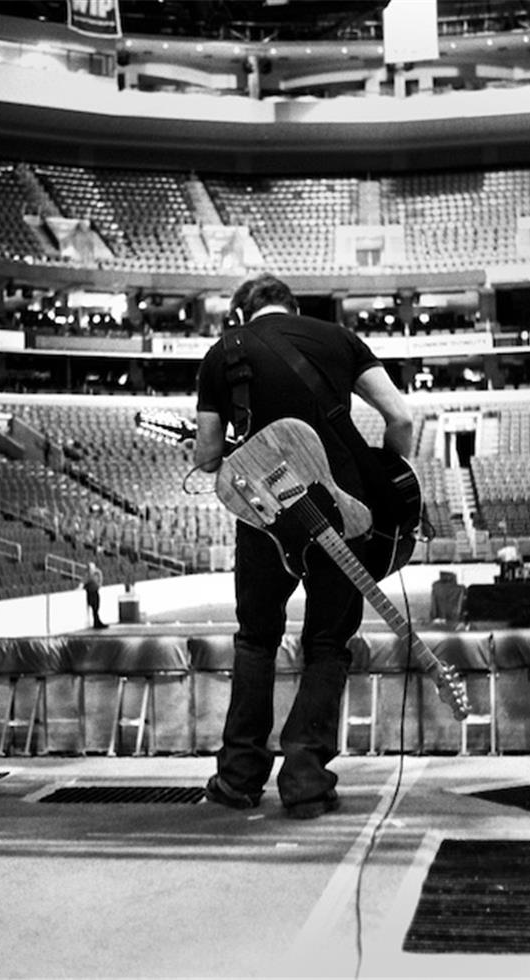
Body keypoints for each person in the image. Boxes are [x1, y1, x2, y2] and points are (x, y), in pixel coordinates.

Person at [193, 273, 413, 819]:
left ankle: (239, 777)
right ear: (291, 308)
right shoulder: (339, 339)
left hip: (266, 522)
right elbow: (402, 417)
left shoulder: (224, 352)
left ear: (241, 314)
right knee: (328, 642)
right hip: (342, 516)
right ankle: (305, 780)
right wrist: (387, 470)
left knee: (256, 639)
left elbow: (208, 456)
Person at [83, 562, 106, 629]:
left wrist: (99, 584)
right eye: (91, 568)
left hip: (95, 592)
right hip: (91, 593)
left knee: (96, 607)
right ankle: (97, 623)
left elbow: (100, 578)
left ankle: (97, 622)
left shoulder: (95, 574)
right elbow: (83, 583)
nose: (92, 569)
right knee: (94, 608)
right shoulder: (87, 576)